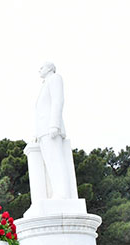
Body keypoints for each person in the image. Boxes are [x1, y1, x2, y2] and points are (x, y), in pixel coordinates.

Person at [35, 61, 72, 199]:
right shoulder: (46, 84)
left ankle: (62, 193)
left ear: (50, 68)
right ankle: (56, 192)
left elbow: (58, 100)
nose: (39, 69)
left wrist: (54, 124)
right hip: (43, 130)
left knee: (56, 160)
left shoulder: (55, 79)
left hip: (50, 128)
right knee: (49, 162)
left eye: (42, 66)